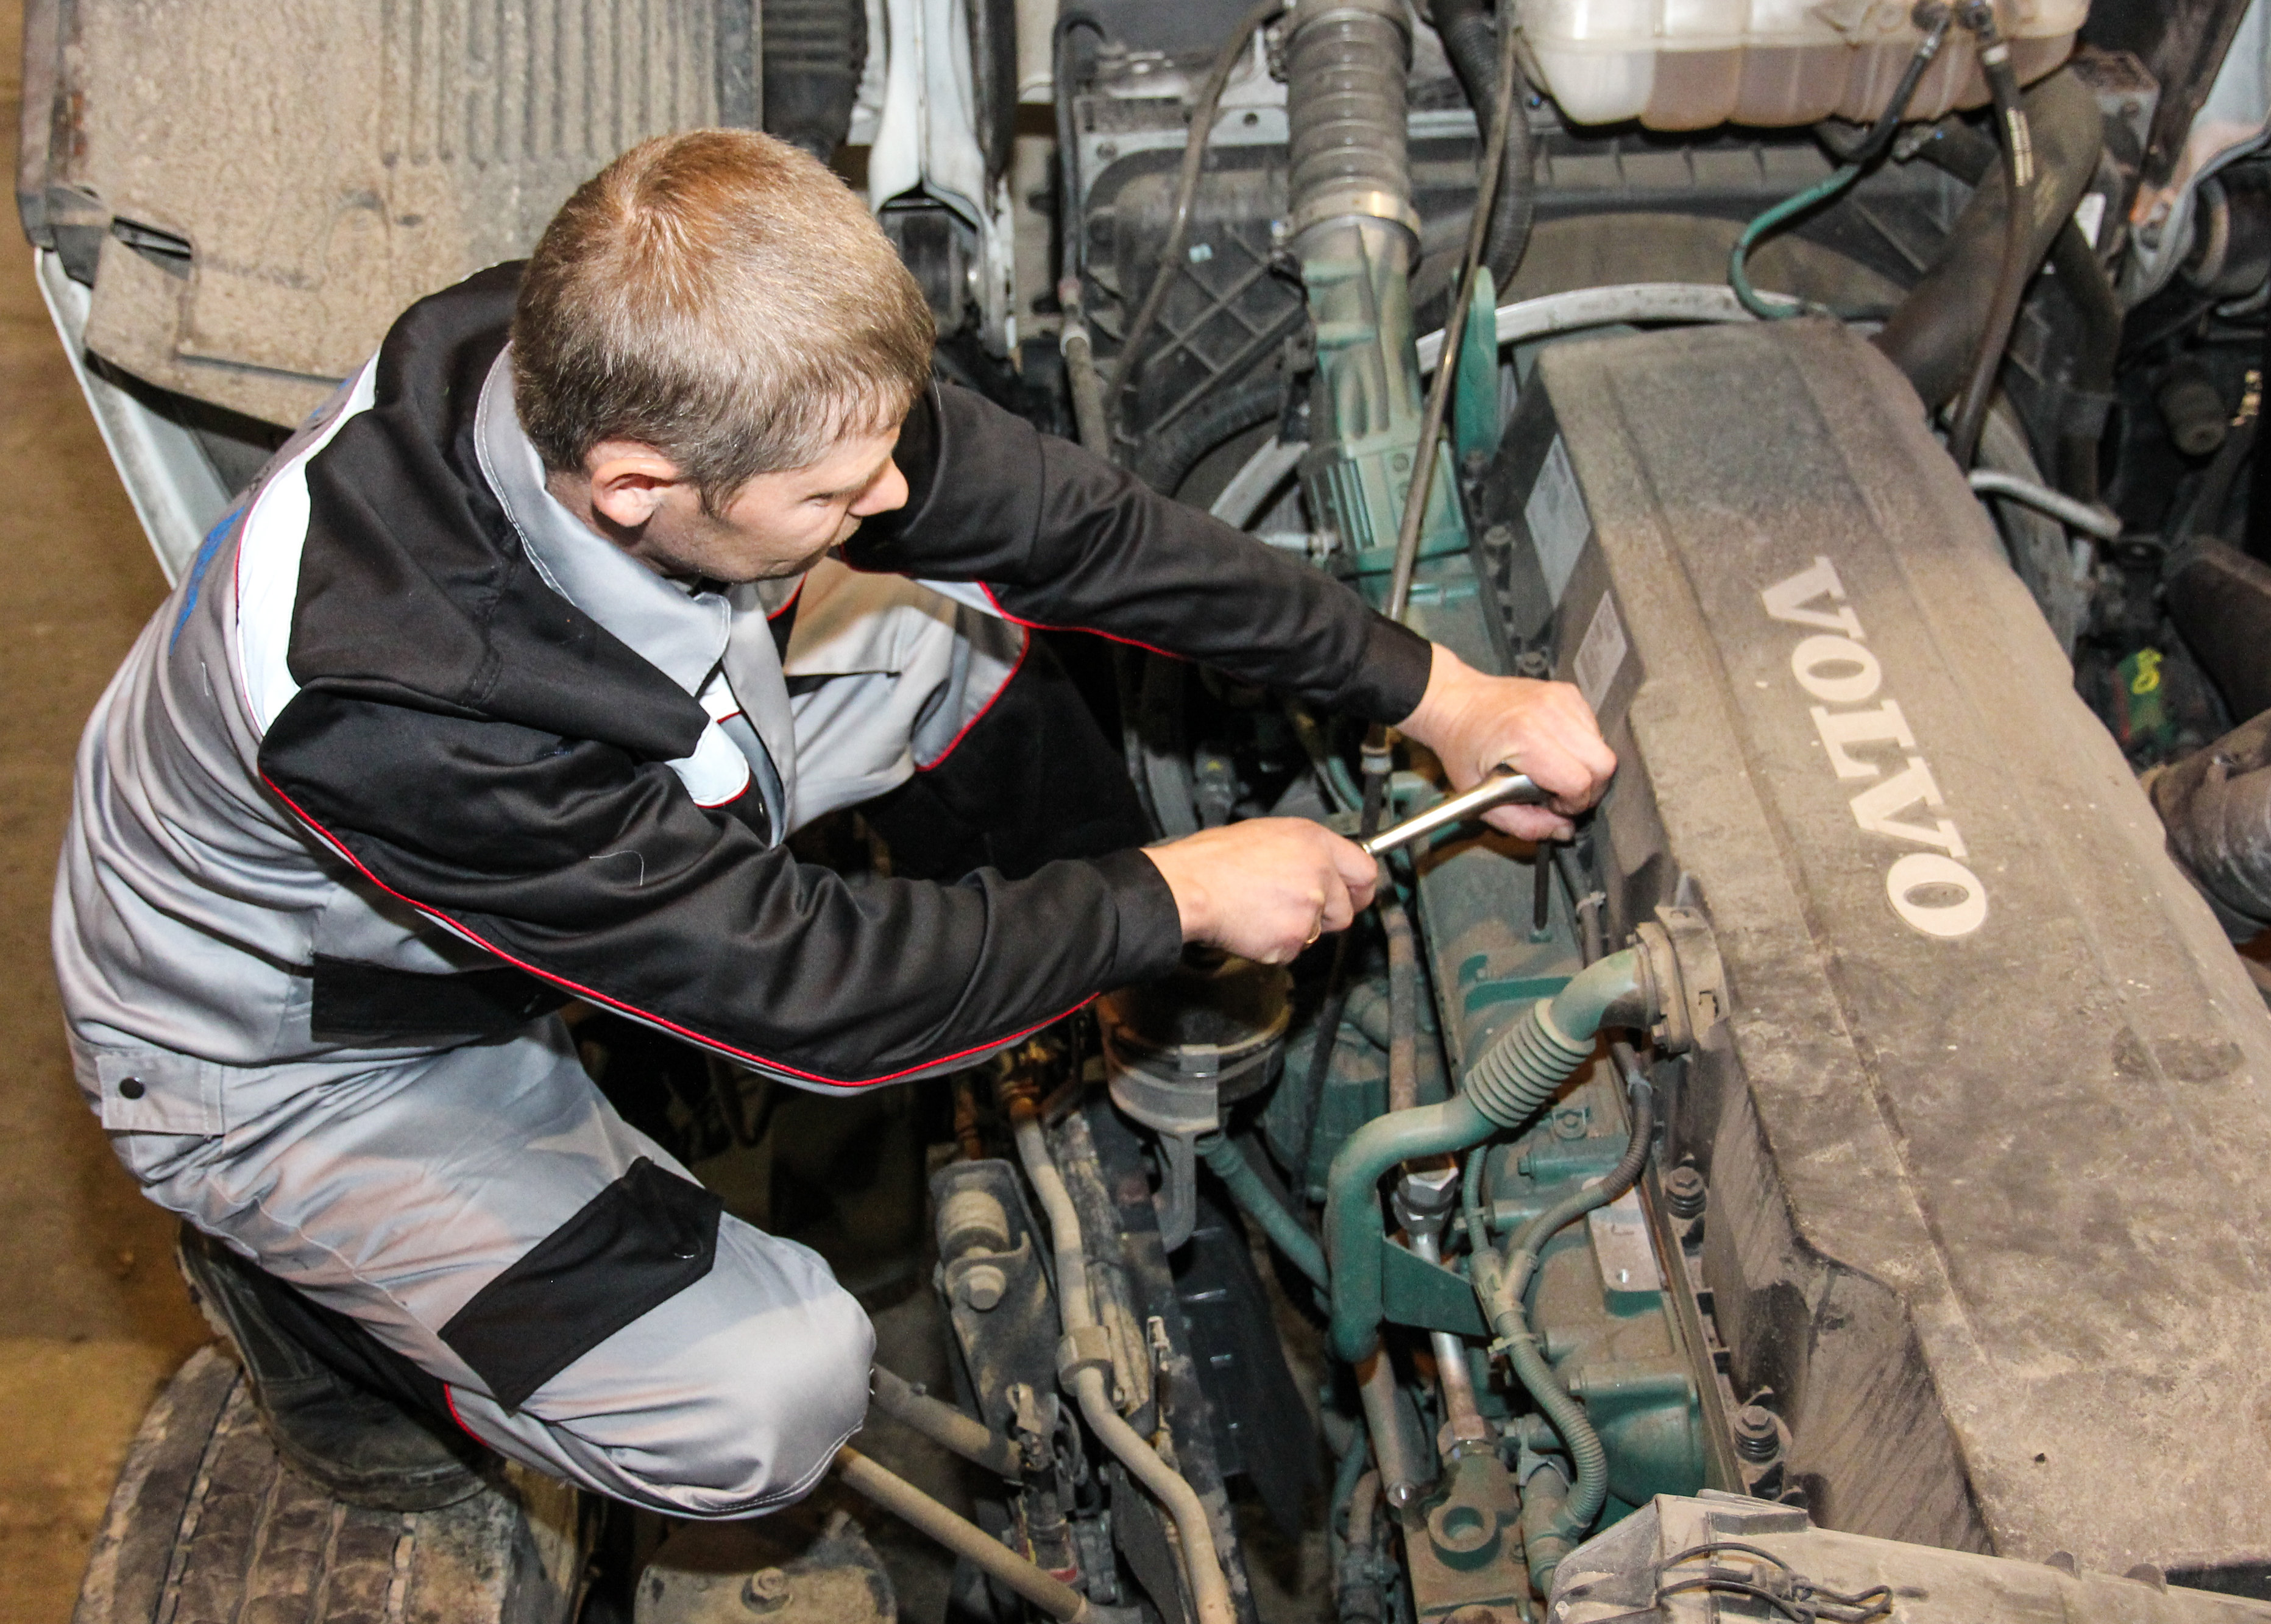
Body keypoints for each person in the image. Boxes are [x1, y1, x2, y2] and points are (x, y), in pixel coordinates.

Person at [52, 129, 1614, 1518]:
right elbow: (813, 1000)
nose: (886, 499)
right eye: (832, 492)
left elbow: (1076, 534)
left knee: (965, 642)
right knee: (771, 1398)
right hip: (313, 1041)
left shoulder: (661, 347)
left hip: (588, 788)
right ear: (635, 482)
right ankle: (325, 1309)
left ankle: (1056, 1020)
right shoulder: (402, 702)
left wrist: (1436, 694)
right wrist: (1172, 893)